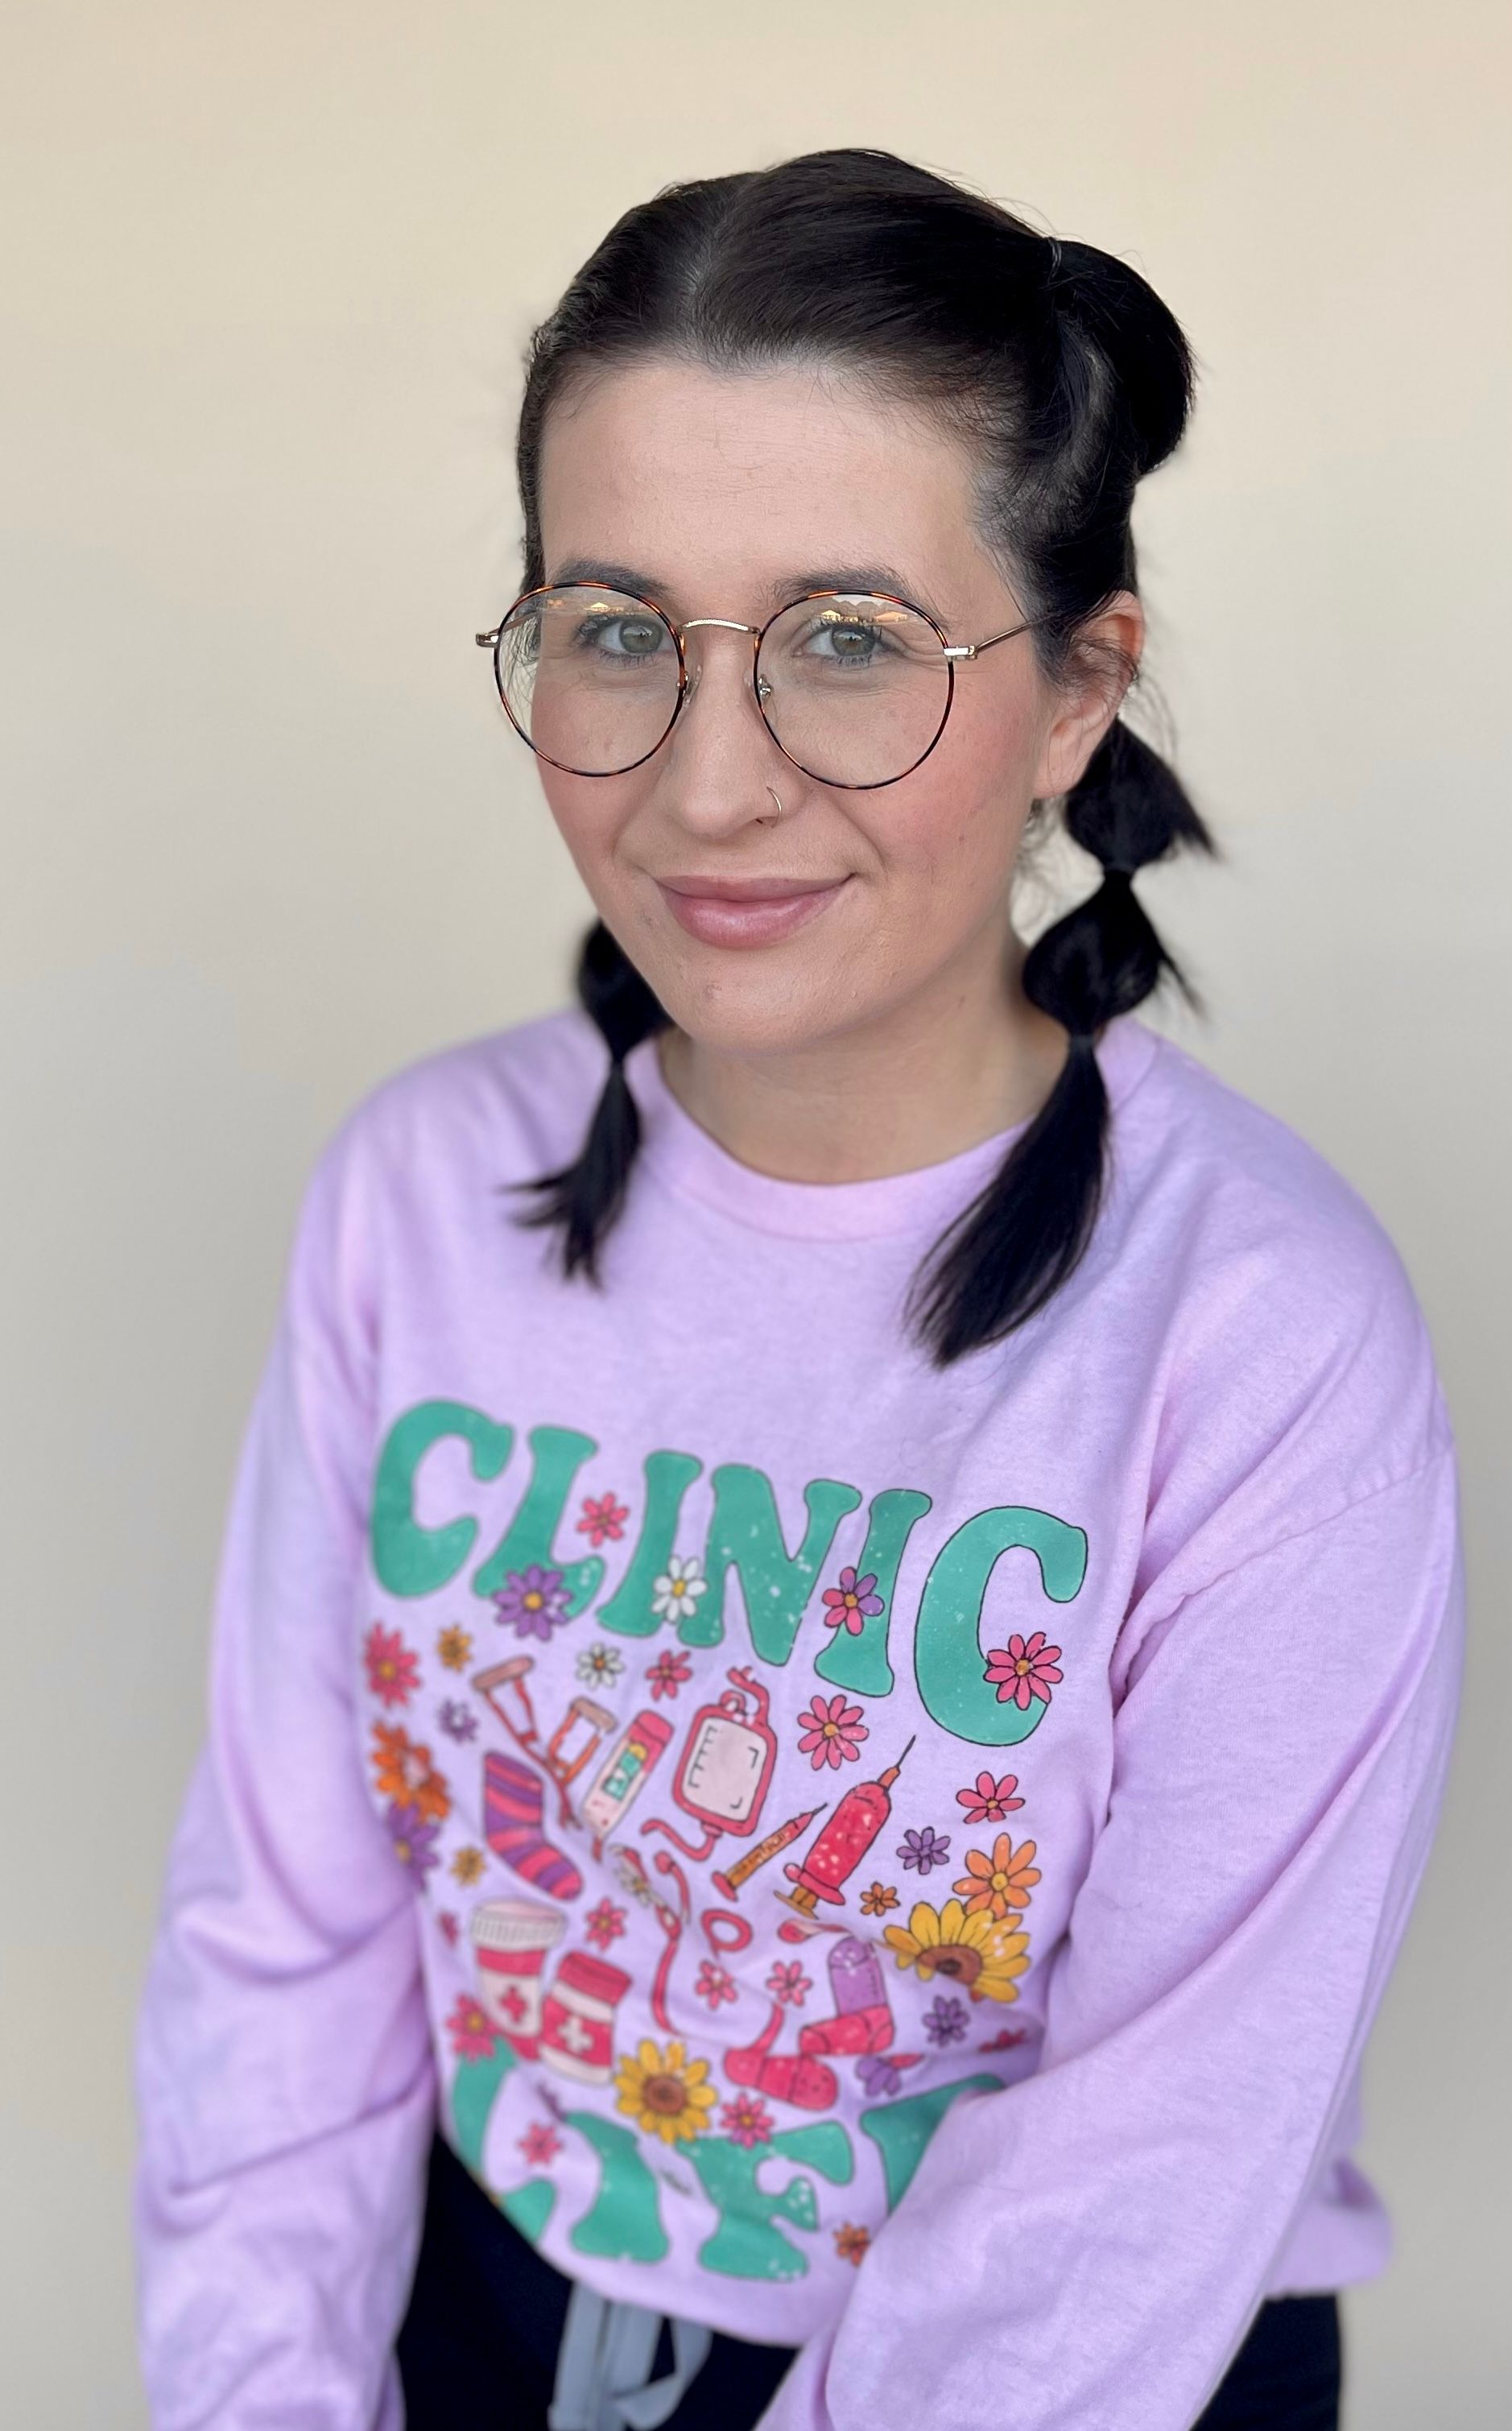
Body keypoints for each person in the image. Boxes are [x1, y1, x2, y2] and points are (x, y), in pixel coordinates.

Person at [132, 148, 1464, 2431]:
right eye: (618, 627)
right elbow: (289, 1943)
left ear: (1075, 695)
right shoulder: (418, 1200)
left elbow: (1136, 2174)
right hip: (485, 2311)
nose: (707, 786)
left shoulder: (1261, 1336)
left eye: (850, 640)